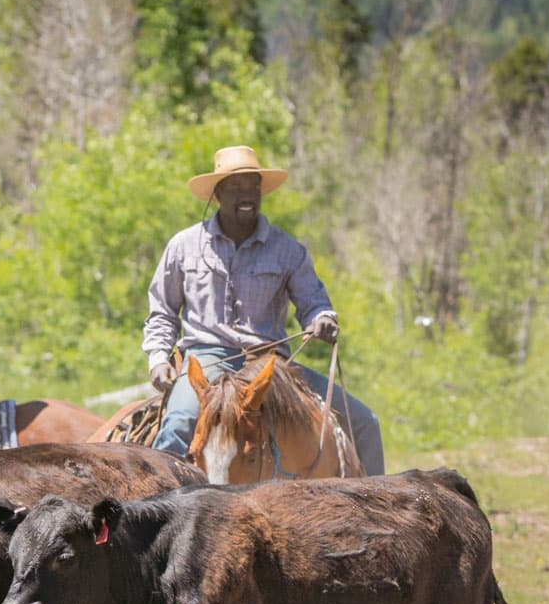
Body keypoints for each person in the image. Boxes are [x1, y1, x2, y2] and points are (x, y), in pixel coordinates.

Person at [143, 145, 384, 475]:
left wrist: (323, 320)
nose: (246, 194)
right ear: (217, 194)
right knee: (179, 423)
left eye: (252, 186)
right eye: (235, 186)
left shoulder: (287, 250)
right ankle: (156, 513)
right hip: (209, 358)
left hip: (270, 365)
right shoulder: (184, 247)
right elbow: (162, 311)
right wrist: (158, 358)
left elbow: (314, 303)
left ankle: (375, 510)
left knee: (364, 422)